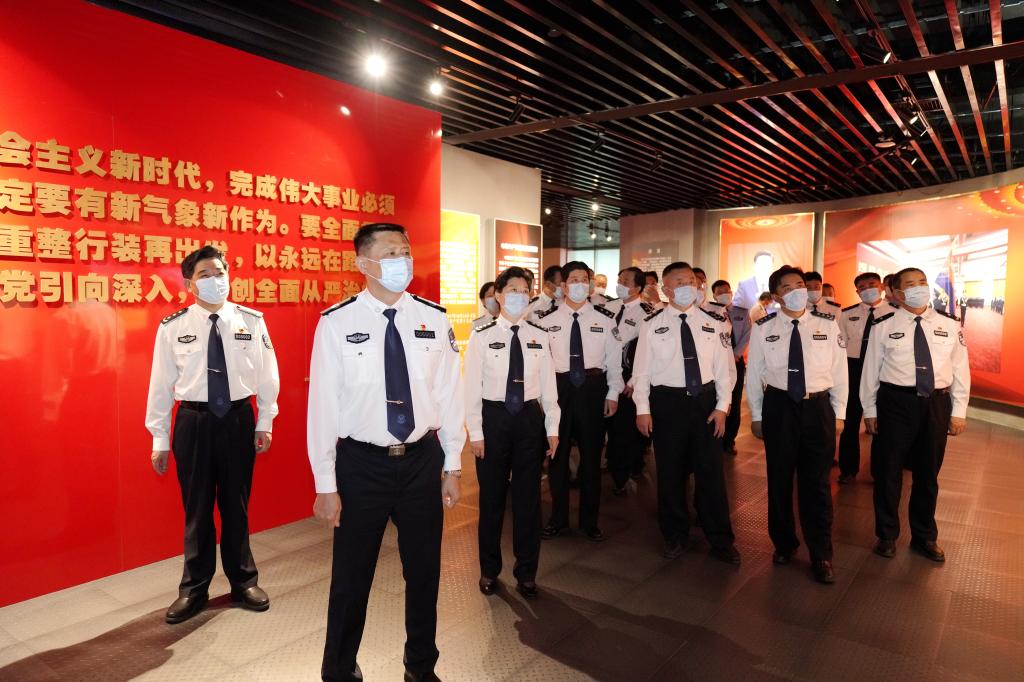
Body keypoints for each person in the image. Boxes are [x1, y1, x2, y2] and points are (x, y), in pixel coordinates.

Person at [308, 223, 465, 682]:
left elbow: (449, 395)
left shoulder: (433, 318)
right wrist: (325, 483)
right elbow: (323, 405)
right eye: (391, 252)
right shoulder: (336, 322)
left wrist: (452, 464)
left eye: (406, 251)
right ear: (364, 263)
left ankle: (420, 666)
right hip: (362, 466)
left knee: (424, 573)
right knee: (351, 576)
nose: (403, 260)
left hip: (421, 461)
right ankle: (339, 669)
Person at [145, 245, 279, 624]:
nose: (214, 280)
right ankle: (194, 588)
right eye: (204, 275)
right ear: (190, 284)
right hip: (194, 421)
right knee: (198, 508)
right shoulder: (173, 327)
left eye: (219, 273)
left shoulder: (251, 321)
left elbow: (268, 373)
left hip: (238, 419)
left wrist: (265, 420)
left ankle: (244, 581)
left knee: (236, 505)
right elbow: (160, 385)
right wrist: (159, 438)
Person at [633, 262, 740, 564]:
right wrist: (643, 409)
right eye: (679, 282)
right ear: (666, 290)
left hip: (705, 404)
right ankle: (675, 534)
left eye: (691, 281)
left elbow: (724, 370)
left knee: (711, 473)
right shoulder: (651, 324)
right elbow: (641, 372)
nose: (688, 286)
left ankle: (720, 538)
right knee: (670, 473)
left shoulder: (714, 322)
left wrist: (723, 406)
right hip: (667, 404)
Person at [861, 267, 970, 563]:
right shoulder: (883, 324)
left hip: (936, 403)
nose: (919, 287)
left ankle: (924, 536)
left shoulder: (949, 324)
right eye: (910, 284)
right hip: (895, 402)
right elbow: (870, 371)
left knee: (928, 473)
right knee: (888, 471)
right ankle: (886, 535)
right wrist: (870, 410)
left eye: (922, 281)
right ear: (897, 293)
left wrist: (958, 411)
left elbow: (961, 371)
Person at [747, 265, 847, 584]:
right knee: (779, 479)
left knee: (817, 483)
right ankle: (784, 543)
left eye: (800, 284)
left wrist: (840, 413)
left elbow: (840, 372)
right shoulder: (763, 328)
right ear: (776, 296)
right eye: (787, 287)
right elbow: (754, 374)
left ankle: (821, 553)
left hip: (817, 407)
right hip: (779, 407)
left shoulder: (827, 325)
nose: (796, 291)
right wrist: (757, 415)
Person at [465, 267, 559, 600]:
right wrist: (475, 432)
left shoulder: (540, 334)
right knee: (491, 500)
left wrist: (552, 428)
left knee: (528, 500)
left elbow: (549, 387)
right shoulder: (481, 335)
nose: (519, 294)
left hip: (529, 420)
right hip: (494, 419)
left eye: (525, 289)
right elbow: (471, 388)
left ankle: (527, 572)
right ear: (499, 295)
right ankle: (489, 570)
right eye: (513, 289)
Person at [538, 261, 623, 542]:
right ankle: (558, 518)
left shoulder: (605, 319)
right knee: (557, 457)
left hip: (592, 389)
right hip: (558, 390)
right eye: (573, 279)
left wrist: (613, 393)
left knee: (591, 458)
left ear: (590, 284)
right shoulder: (546, 321)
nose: (579, 284)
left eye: (584, 279)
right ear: (563, 286)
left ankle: (590, 522)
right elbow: (540, 365)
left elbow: (614, 362)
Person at [604, 267, 656, 494]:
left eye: (625, 281)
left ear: (638, 287)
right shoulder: (609, 307)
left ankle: (622, 476)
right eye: (619, 280)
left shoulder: (647, 312)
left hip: (628, 377)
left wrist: (634, 381)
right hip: (604, 372)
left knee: (623, 429)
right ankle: (612, 462)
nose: (620, 285)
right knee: (607, 425)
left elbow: (647, 352)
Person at [836, 272, 886, 484]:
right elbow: (839, 348)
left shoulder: (895, 312)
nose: (868, 289)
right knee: (850, 423)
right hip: (853, 369)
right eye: (862, 287)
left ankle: (880, 472)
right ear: (857, 292)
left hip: (883, 371)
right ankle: (848, 469)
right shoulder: (847, 314)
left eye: (872, 284)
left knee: (881, 425)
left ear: (881, 287)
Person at [711, 279, 751, 456]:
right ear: (714, 295)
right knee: (717, 399)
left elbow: (747, 334)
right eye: (719, 292)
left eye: (726, 290)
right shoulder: (709, 312)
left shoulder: (742, 312)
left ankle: (729, 440)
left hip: (736, 360)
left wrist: (736, 353)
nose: (724, 294)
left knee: (734, 401)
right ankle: (715, 438)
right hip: (716, 364)